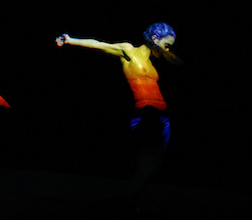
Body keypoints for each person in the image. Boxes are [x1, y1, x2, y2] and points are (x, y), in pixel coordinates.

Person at [55, 22, 180, 201]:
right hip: (145, 114)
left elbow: (176, 61)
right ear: (154, 38)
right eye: (166, 45)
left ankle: (133, 198)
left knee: (156, 163)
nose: (167, 49)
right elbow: (99, 44)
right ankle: (125, 198)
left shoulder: (152, 61)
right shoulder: (129, 51)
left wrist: (167, 53)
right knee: (146, 162)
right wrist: (71, 40)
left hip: (162, 116)